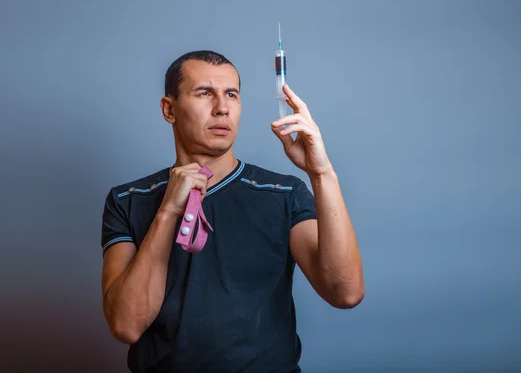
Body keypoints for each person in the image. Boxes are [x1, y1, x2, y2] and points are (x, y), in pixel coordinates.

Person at [100, 50, 364, 372]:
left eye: (231, 95)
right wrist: (168, 211)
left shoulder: (283, 194)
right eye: (205, 93)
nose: (222, 107)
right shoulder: (128, 199)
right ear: (169, 109)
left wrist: (321, 174)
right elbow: (127, 325)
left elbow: (345, 292)